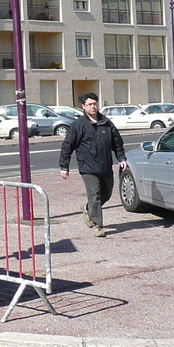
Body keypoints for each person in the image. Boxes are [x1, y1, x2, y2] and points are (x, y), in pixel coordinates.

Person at [59, 92, 127, 238]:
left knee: (107, 194)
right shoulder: (78, 125)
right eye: (89, 104)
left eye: (95, 104)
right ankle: (98, 225)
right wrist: (64, 166)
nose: (93, 107)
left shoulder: (106, 123)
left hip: (105, 166)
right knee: (94, 195)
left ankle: (88, 209)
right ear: (83, 106)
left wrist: (121, 158)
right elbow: (67, 146)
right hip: (88, 168)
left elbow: (117, 143)